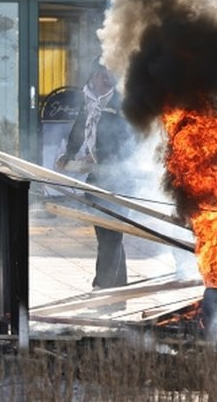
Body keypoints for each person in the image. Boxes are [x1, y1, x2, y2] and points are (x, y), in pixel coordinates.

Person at [55, 62, 133, 290]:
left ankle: (102, 286)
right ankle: (117, 289)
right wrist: (68, 154)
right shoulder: (89, 101)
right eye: (101, 74)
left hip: (119, 178)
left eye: (110, 74)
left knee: (112, 233)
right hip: (99, 178)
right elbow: (79, 131)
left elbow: (126, 140)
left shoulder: (120, 103)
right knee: (107, 233)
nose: (106, 78)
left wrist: (99, 155)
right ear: (92, 77)